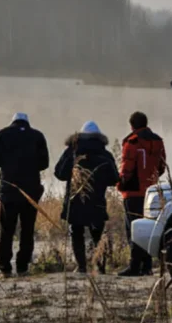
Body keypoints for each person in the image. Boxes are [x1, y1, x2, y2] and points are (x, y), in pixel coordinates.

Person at [0, 112, 50, 277]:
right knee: (27, 230)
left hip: (8, 191)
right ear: (27, 122)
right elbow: (44, 164)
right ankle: (22, 267)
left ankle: (5, 267)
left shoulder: (2, 134)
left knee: (6, 230)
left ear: (13, 121)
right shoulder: (37, 136)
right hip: (31, 192)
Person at [55, 121, 120, 274]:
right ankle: (100, 267)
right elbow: (114, 179)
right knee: (97, 234)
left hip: (75, 199)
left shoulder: (72, 153)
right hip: (97, 200)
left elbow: (59, 174)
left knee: (76, 233)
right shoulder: (105, 155)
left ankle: (82, 266)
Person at [117, 112, 166, 277]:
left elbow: (126, 170)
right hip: (152, 191)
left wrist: (120, 184)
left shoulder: (132, 142)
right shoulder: (158, 141)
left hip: (133, 192)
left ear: (132, 126)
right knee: (147, 228)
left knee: (133, 229)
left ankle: (134, 266)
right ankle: (147, 266)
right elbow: (162, 166)